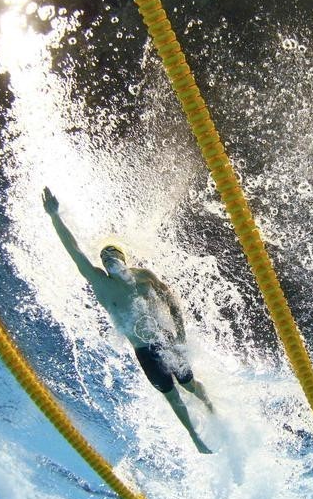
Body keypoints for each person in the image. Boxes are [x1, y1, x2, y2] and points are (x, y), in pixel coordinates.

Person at [42, 187, 214, 453]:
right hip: (143, 351)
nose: (107, 258)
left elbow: (172, 303)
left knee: (189, 385)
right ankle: (194, 436)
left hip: (164, 340)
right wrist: (55, 217)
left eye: (112, 254)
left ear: (123, 257)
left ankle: (212, 408)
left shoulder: (144, 277)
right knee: (172, 396)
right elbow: (74, 250)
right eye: (104, 256)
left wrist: (180, 334)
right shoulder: (100, 283)